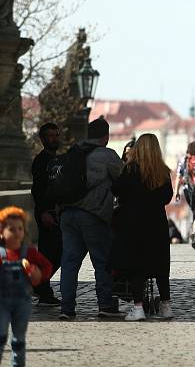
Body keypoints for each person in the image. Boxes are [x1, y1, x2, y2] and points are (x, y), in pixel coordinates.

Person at [59, 117, 125, 320]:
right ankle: (105, 304)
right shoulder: (107, 155)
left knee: (69, 262)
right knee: (101, 261)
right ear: (106, 136)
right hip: (93, 214)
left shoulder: (73, 152)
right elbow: (123, 181)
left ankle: (67, 308)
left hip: (67, 214)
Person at [110, 133, 175, 322]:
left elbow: (116, 189)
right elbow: (167, 197)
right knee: (161, 265)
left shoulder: (130, 170)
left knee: (137, 266)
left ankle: (138, 308)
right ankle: (165, 305)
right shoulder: (162, 172)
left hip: (134, 223)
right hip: (157, 224)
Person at [0, 206, 53, 366]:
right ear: (2, 231)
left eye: (20, 229)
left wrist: (38, 275)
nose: (17, 233)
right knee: (1, 335)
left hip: (22, 302)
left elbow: (47, 267)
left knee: (18, 339)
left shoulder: (28, 252)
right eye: (12, 229)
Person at [29, 122, 61, 306]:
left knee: (56, 252)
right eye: (51, 136)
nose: (55, 138)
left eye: (56, 135)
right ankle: (41, 288)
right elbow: (38, 191)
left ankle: (41, 286)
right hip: (46, 214)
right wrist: (43, 213)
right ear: (43, 139)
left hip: (54, 213)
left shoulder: (55, 159)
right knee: (50, 253)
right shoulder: (42, 161)